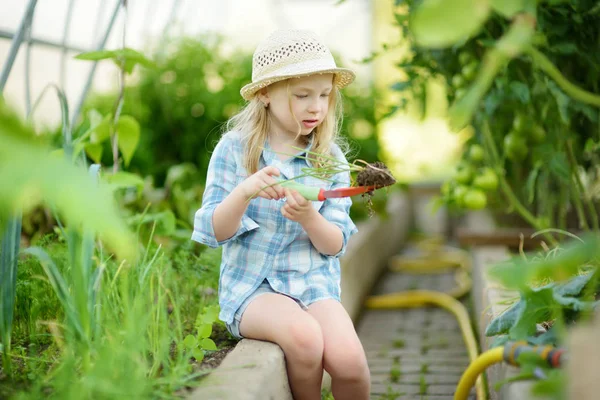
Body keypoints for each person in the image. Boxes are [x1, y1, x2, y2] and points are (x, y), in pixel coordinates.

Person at [192, 29, 370, 400]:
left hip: (313, 283)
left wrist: (309, 217)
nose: (315, 107)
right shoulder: (235, 151)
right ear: (264, 95)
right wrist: (245, 191)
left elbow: (335, 244)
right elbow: (214, 231)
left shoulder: (329, 158)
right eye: (302, 96)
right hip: (253, 288)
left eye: (324, 95)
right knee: (305, 340)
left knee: (350, 362)